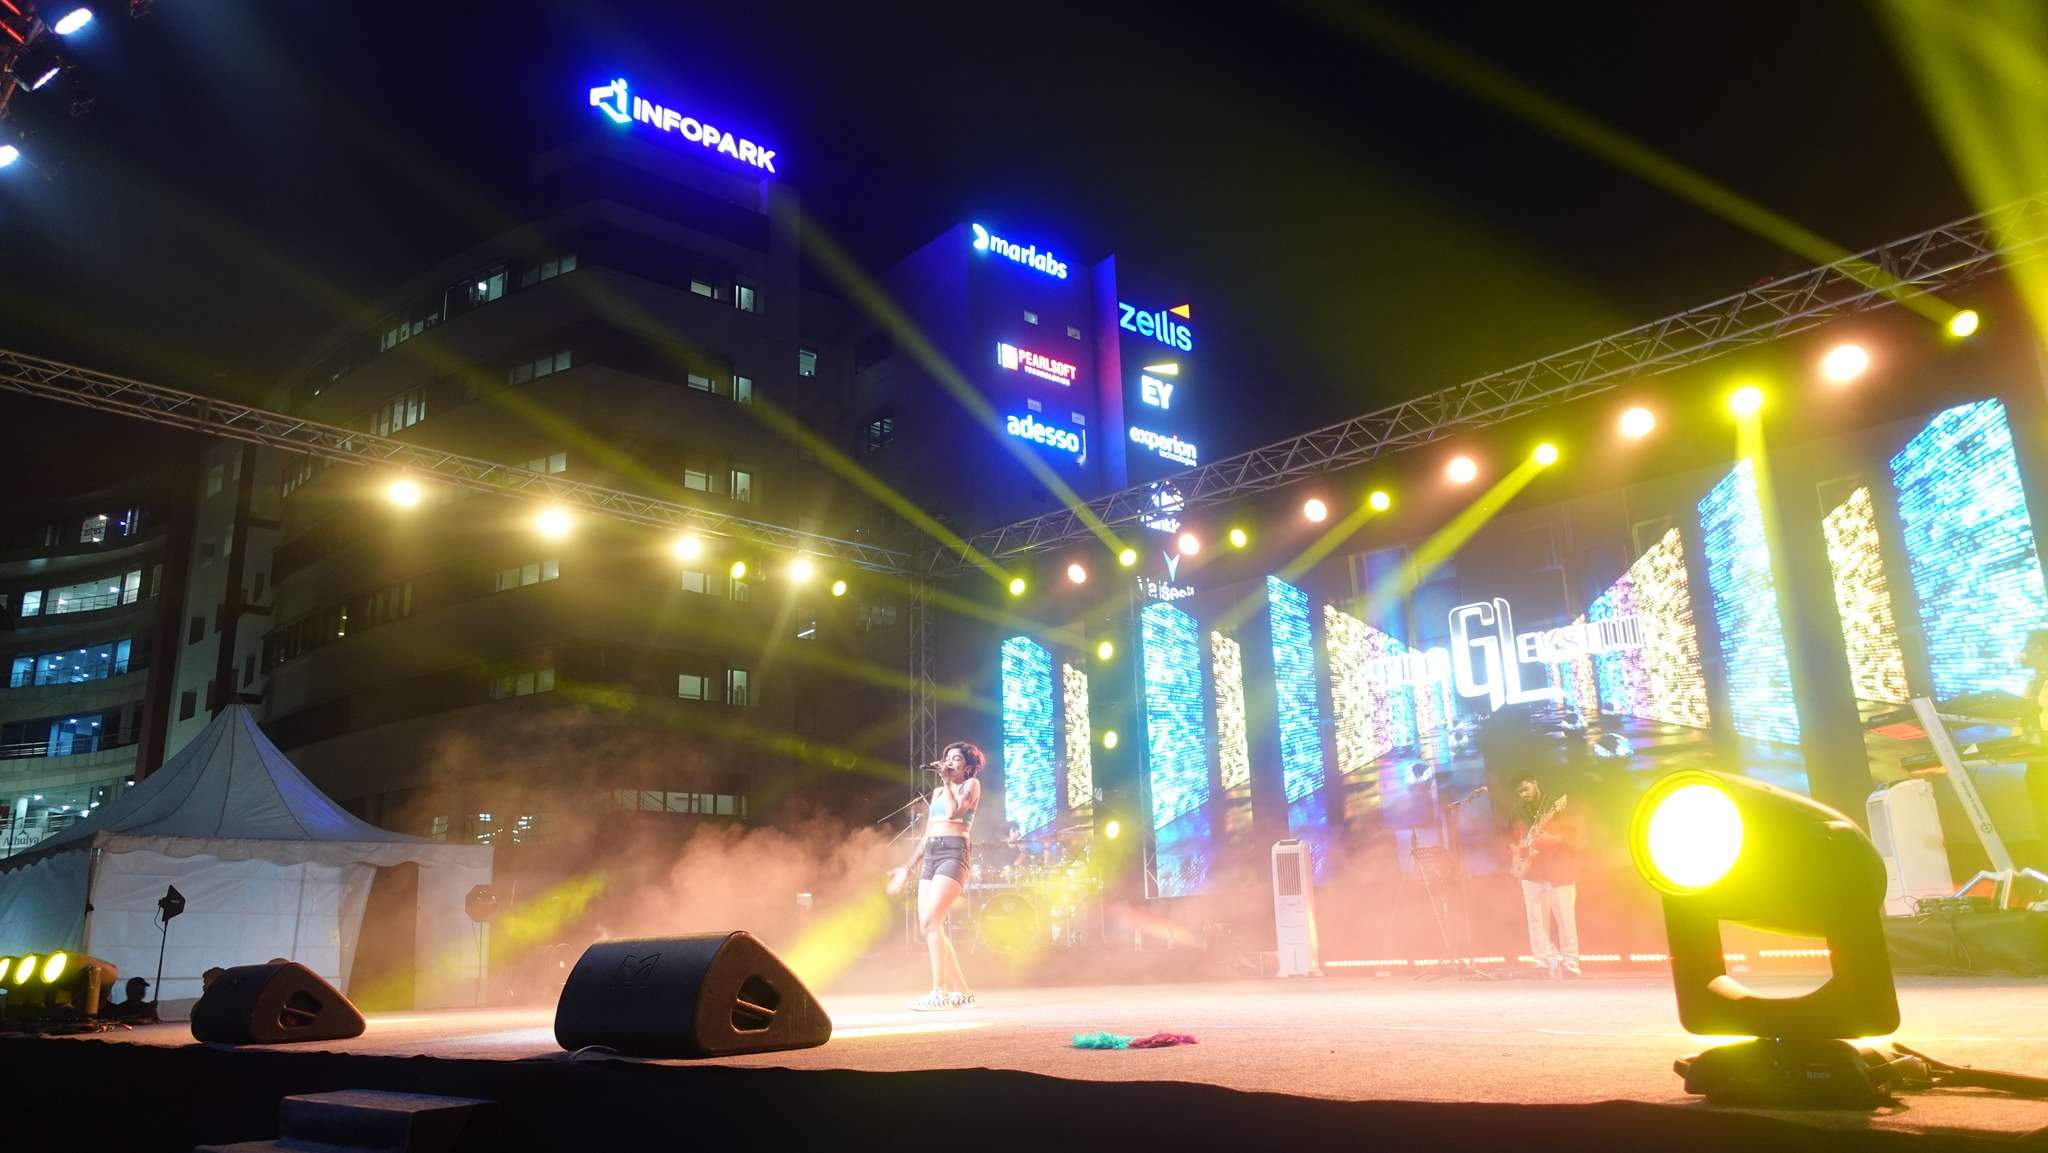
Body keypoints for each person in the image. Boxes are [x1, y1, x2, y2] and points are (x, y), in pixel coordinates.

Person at [887, 740, 985, 1011]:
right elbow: (927, 834)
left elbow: (954, 813)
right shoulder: (938, 793)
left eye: (956, 759)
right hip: (932, 853)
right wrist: (907, 868)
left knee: (932, 922)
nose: (950, 762)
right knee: (929, 926)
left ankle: (939, 992)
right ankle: (963, 993)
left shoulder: (970, 785)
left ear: (968, 766)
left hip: (954, 852)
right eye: (947, 758)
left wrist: (947, 780)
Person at [1507, 770, 1580, 979]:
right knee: (1535, 919)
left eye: (1526, 789)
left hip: (1559, 868)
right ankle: (1540, 959)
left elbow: (1573, 832)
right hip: (1531, 871)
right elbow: (1506, 836)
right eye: (1519, 792)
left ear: (1535, 783)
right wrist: (1514, 847)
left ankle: (1571, 960)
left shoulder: (1554, 804)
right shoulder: (1517, 810)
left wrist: (1554, 839)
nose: (1523, 794)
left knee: (1565, 917)